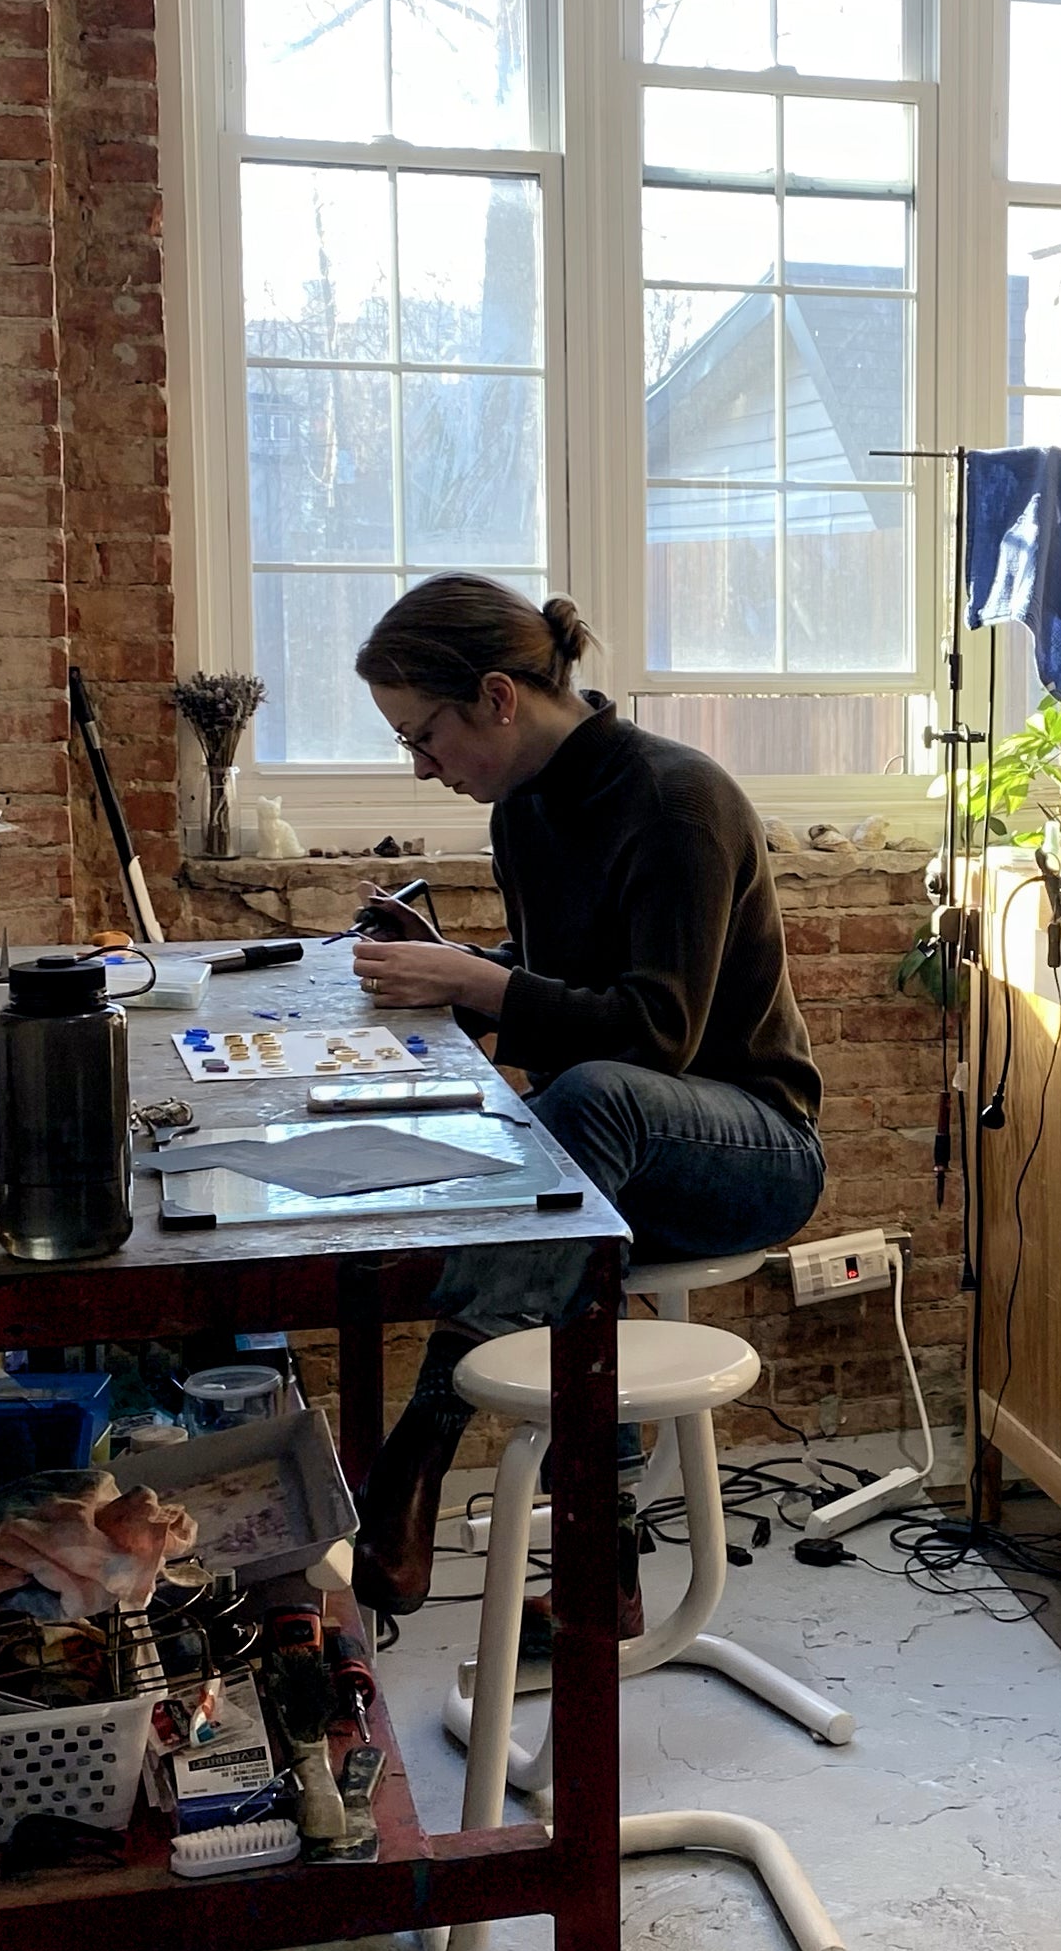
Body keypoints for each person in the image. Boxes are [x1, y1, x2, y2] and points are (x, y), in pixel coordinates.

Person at [347, 574, 825, 1615]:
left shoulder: (676, 800)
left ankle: (420, 1441)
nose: (422, 767)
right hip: (601, 1149)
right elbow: (558, 978)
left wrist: (484, 985)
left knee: (588, 1107)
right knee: (562, 1195)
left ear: (498, 698)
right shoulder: (523, 810)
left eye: (423, 736)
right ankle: (599, 1562)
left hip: (751, 1145)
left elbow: (656, 1033)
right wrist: (449, 977)